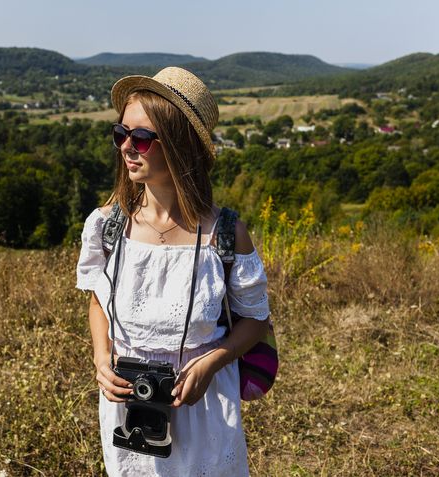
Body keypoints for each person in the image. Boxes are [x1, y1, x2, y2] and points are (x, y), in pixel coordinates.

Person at [75, 66, 270, 476]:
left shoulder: (225, 234)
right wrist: (101, 356)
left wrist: (214, 361)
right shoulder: (108, 226)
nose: (127, 147)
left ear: (180, 146)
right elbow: (98, 299)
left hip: (203, 411)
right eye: (120, 133)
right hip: (131, 411)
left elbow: (255, 320)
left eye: (142, 138)